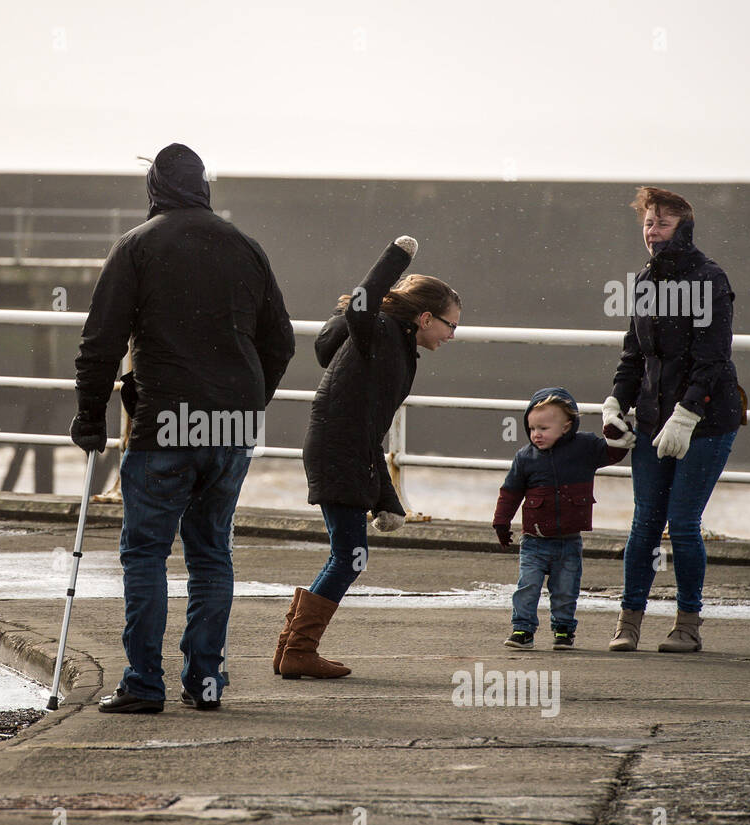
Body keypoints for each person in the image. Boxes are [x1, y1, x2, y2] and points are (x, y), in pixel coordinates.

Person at [71, 142, 295, 713]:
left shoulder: (138, 246)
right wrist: (247, 402)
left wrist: (90, 415)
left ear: (155, 190)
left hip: (165, 422)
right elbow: (281, 342)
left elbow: (101, 342)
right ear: (205, 187)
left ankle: (145, 683)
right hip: (231, 425)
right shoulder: (247, 247)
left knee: (146, 553)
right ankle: (206, 681)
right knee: (211, 553)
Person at [277, 236, 460, 679]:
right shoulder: (378, 331)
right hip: (337, 451)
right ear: (424, 317)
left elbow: (372, 429)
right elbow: (360, 306)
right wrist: (396, 258)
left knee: (347, 553)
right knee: (350, 555)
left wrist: (386, 499)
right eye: (450, 325)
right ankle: (298, 649)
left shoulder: (395, 344)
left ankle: (291, 648)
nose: (453, 334)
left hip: (345, 450)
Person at [601, 187, 744, 652]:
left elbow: (714, 359)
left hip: (704, 423)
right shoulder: (643, 281)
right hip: (651, 420)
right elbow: (633, 354)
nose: (652, 231)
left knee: (682, 524)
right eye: (647, 222)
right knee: (644, 523)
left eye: (662, 223)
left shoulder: (710, 279)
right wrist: (615, 404)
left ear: (683, 227)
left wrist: (687, 414)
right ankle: (629, 622)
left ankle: (688, 624)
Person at [492, 388, 629, 650]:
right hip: (533, 541)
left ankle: (564, 631)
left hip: (569, 541)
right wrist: (501, 521)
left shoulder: (586, 448)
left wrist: (616, 432)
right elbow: (510, 492)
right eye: (531, 428)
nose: (536, 434)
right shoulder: (525, 458)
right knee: (527, 588)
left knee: (566, 590)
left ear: (566, 427)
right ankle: (522, 629)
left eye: (543, 428)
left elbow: (615, 452)